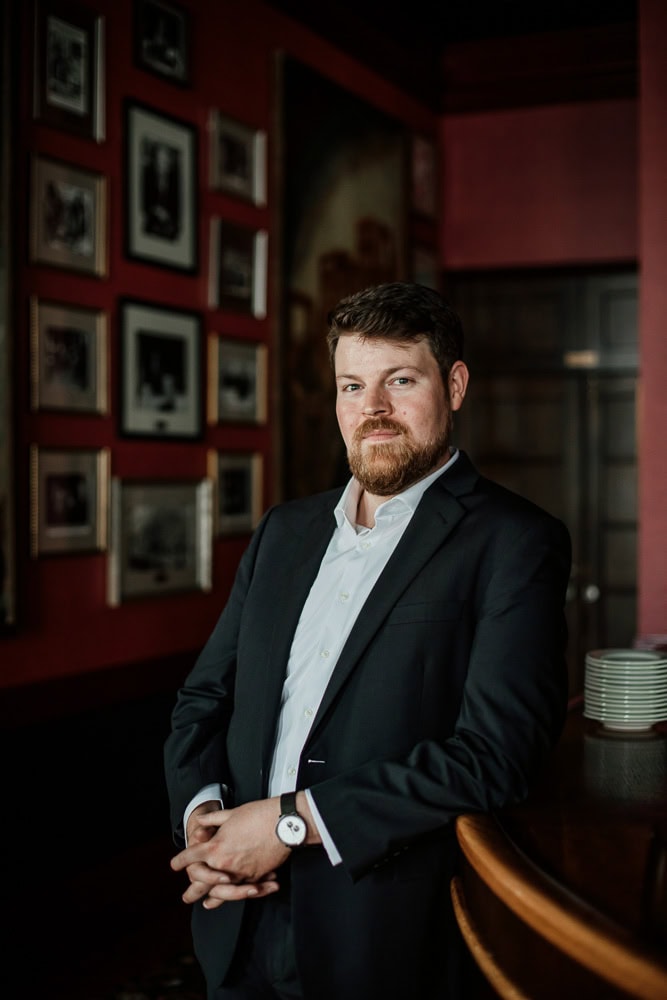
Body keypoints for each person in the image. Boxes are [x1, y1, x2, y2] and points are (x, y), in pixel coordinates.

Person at [164, 282, 572, 1000]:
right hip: (237, 916)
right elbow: (205, 697)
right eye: (352, 385)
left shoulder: (515, 542)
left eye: (400, 380)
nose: (372, 408)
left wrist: (289, 826)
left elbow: (495, 758)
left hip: (379, 932)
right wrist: (206, 826)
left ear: (454, 384)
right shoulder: (283, 531)